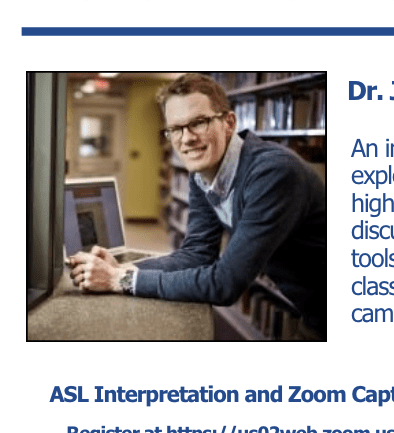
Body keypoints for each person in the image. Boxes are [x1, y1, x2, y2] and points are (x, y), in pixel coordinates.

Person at [68, 73, 326, 335]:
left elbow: (225, 284)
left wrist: (120, 280)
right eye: (175, 129)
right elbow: (196, 254)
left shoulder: (273, 174)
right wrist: (120, 268)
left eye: (199, 123)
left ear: (229, 122)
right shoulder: (202, 173)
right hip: (312, 310)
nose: (187, 138)